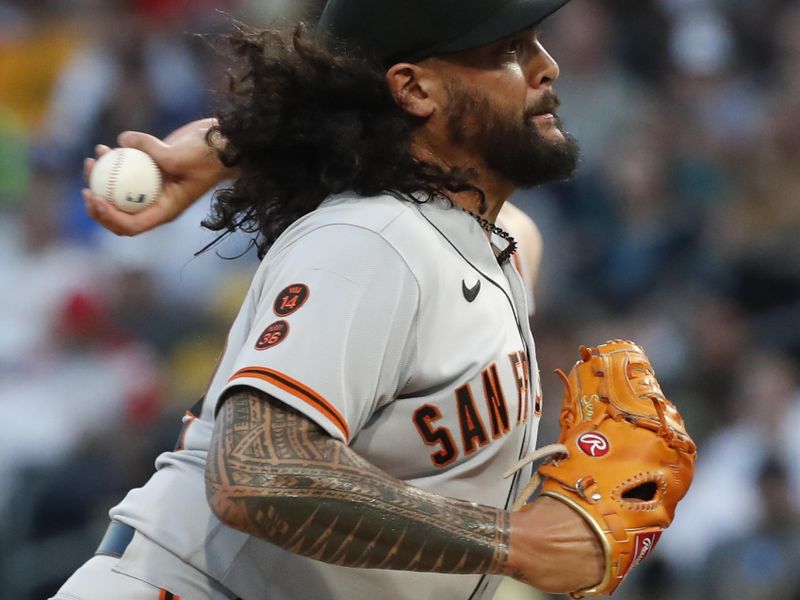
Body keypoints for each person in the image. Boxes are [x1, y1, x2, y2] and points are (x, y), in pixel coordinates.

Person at [56, 1, 606, 599]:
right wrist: (517, 542)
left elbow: (521, 240)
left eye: (536, 41)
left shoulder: (478, 243)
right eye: (508, 51)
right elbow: (259, 475)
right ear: (414, 89)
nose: (546, 67)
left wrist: (235, 144)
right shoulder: (370, 240)